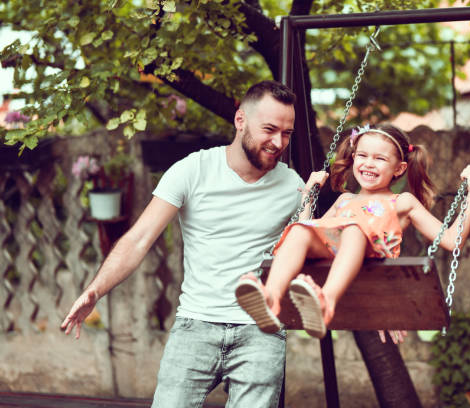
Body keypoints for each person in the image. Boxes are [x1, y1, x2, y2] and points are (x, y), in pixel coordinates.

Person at [60, 80, 325, 407]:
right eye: (269, 129)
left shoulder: (292, 185)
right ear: (240, 120)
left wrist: (309, 203)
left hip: (261, 329)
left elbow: (302, 247)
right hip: (197, 324)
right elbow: (140, 239)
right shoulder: (193, 171)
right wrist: (95, 290)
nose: (277, 142)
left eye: (287, 133)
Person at [235, 123, 470, 344]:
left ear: (399, 168)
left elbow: (451, 240)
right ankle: (271, 298)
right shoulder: (345, 199)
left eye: (380, 159)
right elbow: (313, 234)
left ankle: (326, 302)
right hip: (335, 256)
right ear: (353, 158)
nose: (368, 163)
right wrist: (307, 197)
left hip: (370, 259)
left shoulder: (402, 202)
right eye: (362, 155)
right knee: (300, 230)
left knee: (353, 229)